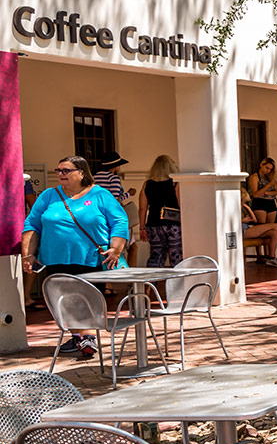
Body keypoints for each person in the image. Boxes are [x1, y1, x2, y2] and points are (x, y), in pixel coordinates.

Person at [22, 156, 129, 359]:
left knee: (86, 299)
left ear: (81, 173)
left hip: (90, 258)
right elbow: (32, 225)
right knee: (63, 301)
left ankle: (86, 337)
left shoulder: (100, 195)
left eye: (66, 170)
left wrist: (115, 248)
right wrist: (28, 255)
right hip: (55, 258)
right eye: (58, 170)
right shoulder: (48, 196)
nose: (61, 174)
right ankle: (79, 338)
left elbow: (120, 220)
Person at [141, 154, 183, 268]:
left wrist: (142, 227)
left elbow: (143, 208)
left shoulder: (147, 184)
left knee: (156, 255)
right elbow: (181, 204)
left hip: (153, 224)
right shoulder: (175, 183)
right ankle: (177, 284)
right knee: (176, 256)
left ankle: (150, 284)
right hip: (173, 224)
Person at [246, 157, 277, 224]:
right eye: (267, 168)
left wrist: (265, 192)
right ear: (261, 165)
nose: (268, 171)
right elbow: (256, 194)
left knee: (271, 226)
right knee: (262, 226)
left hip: (271, 202)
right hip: (260, 203)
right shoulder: (254, 177)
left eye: (270, 169)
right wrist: (268, 186)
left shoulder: (271, 177)